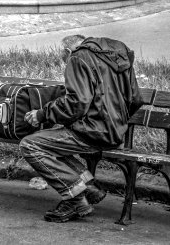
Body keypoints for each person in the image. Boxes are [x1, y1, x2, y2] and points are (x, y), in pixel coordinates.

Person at [20, 34, 142, 223]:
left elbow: (76, 103)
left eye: (64, 60)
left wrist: (42, 114)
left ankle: (75, 198)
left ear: (68, 52)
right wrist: (116, 121)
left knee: (30, 145)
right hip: (114, 131)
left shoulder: (78, 57)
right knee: (50, 142)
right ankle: (88, 186)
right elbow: (135, 99)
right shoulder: (118, 54)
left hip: (91, 132)